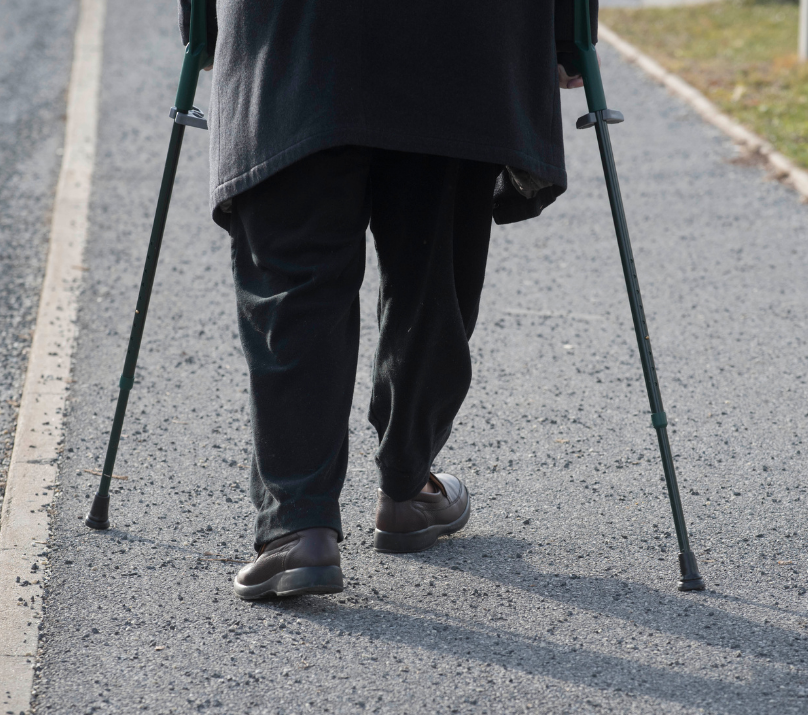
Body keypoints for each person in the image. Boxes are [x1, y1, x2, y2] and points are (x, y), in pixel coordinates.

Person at [177, 0, 598, 600]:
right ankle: (406, 487)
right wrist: (568, 31)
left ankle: (299, 526)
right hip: (461, 33)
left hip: (292, 31)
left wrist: (200, 27)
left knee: (294, 280)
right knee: (434, 268)